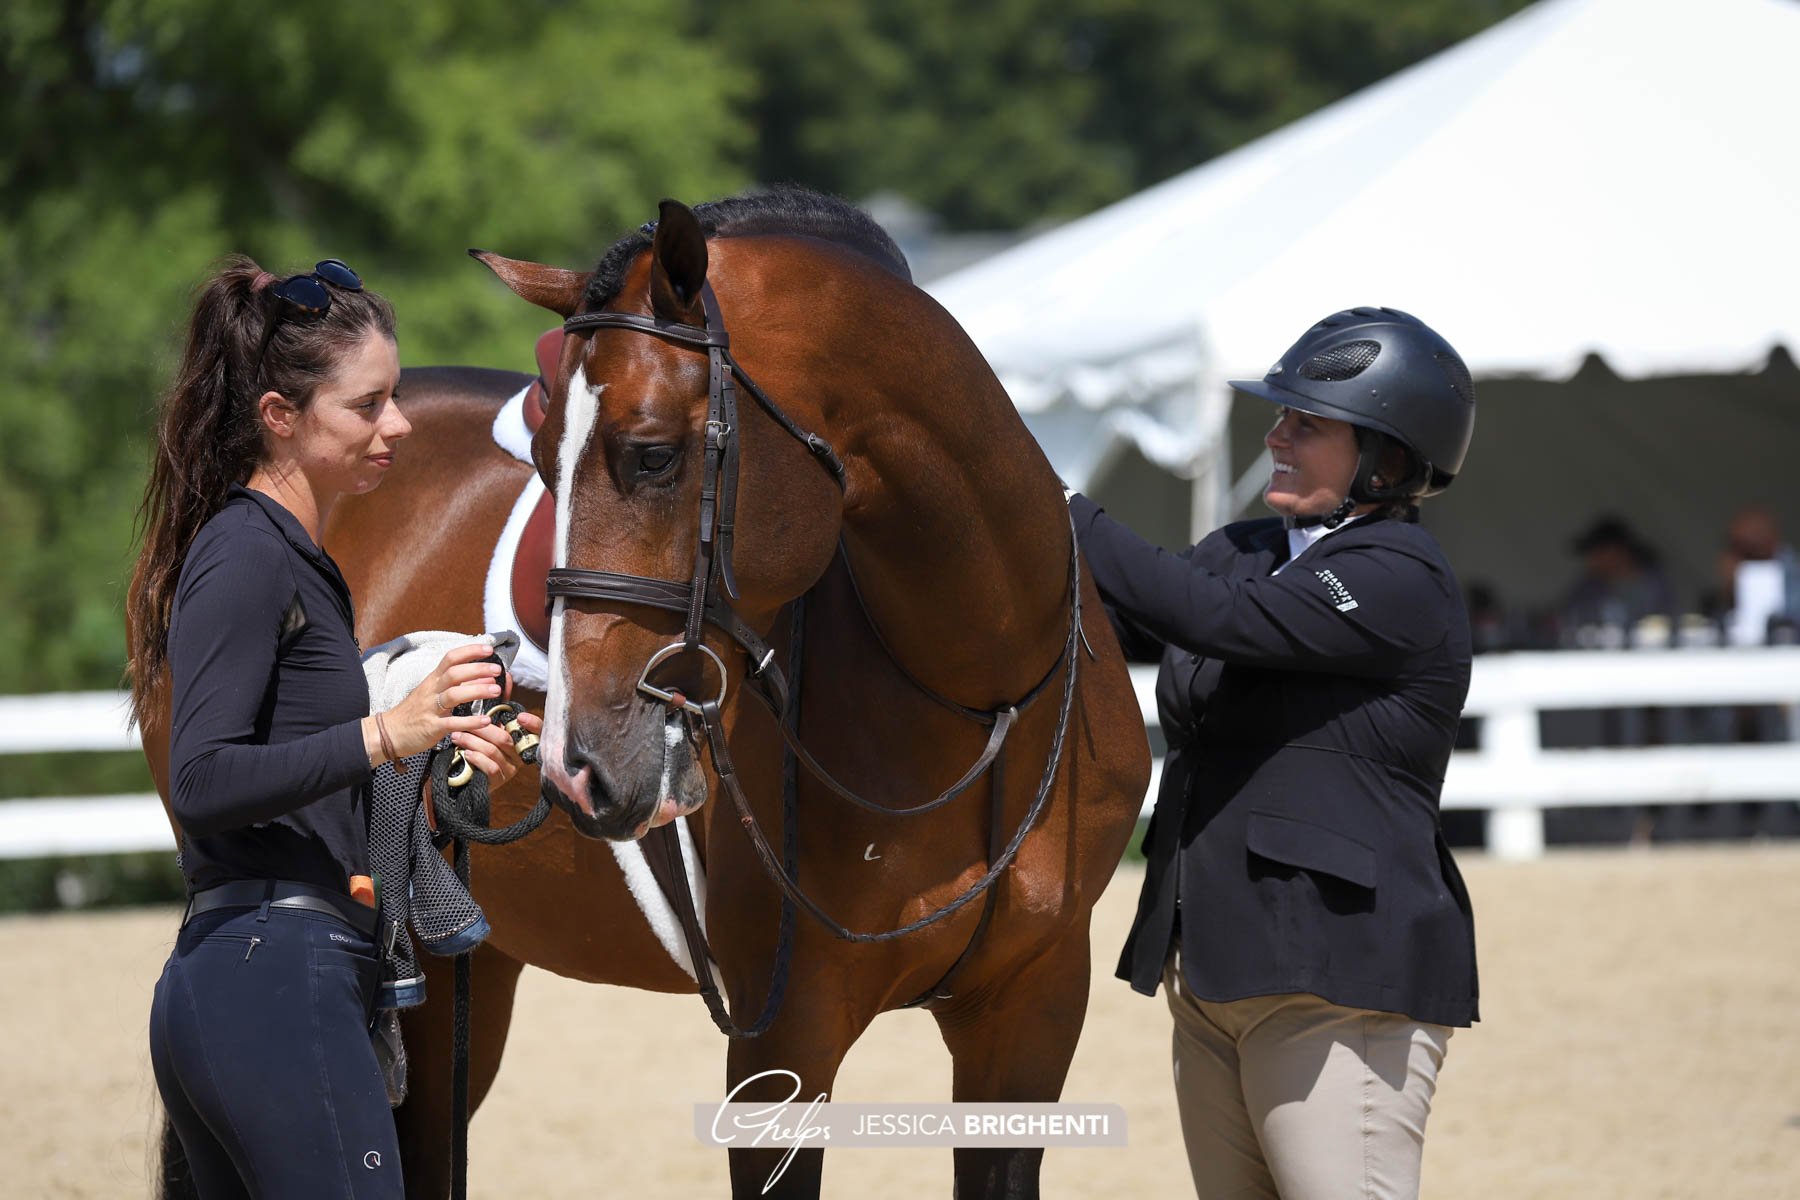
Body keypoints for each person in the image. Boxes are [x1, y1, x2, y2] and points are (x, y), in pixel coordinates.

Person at [125, 256, 542, 1197]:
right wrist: (386, 734)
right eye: (369, 405)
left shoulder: (289, 557)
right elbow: (201, 781)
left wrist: (445, 761)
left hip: (273, 972)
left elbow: (299, 780)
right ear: (281, 417)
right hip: (272, 980)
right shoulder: (244, 552)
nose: (398, 424)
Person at [1068, 307, 1479, 1199]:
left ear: (1391, 456)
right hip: (1211, 967)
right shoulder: (1244, 552)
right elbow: (1121, 611)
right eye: (1281, 416)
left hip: (1335, 978)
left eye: (1308, 424)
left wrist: (1061, 508)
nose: (1276, 437)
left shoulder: (1399, 572)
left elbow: (1210, 617)